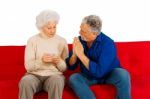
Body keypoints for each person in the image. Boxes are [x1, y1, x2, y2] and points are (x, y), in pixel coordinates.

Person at [66, 15, 131, 99]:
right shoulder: (81, 40)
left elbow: (99, 72)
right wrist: (75, 53)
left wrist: (81, 55)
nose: (80, 33)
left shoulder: (108, 44)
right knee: (73, 78)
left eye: (83, 31)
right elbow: (71, 66)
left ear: (94, 34)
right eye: (80, 29)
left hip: (108, 74)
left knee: (123, 74)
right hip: (89, 75)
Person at [19, 10, 68, 99]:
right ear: (41, 27)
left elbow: (64, 68)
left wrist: (59, 62)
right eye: (49, 28)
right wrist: (41, 61)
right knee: (25, 81)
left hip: (54, 75)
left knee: (57, 80)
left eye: (54, 27)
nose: (52, 31)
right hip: (34, 76)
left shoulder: (62, 41)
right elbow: (28, 66)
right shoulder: (32, 40)